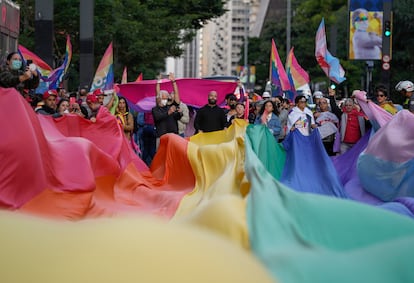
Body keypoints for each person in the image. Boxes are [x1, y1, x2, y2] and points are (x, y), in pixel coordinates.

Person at [152, 73, 182, 149]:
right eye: (163, 98)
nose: (164, 100)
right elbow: (158, 117)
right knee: (161, 158)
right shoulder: (156, 109)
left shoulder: (171, 106)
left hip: (173, 137)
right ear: (159, 99)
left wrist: (174, 82)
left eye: (166, 98)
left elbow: (176, 94)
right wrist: (158, 82)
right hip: (161, 137)